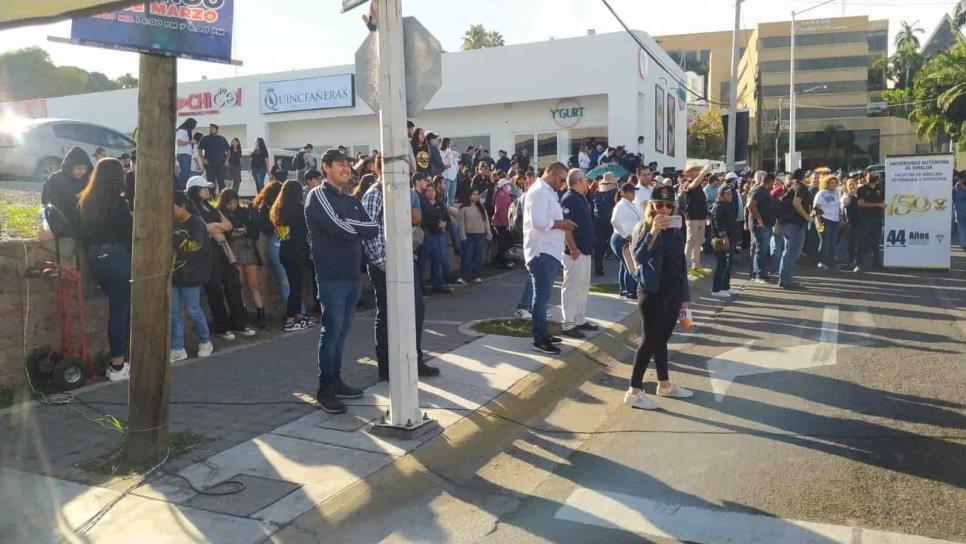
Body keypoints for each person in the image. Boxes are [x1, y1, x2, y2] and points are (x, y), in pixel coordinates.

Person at [306, 148, 381, 414]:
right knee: (331, 331)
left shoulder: (351, 199)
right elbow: (338, 228)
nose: (346, 169)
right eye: (340, 165)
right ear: (325, 167)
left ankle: (336, 380)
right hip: (331, 277)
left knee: (342, 332)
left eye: (348, 165)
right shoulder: (318, 196)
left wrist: (351, 225)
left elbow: (373, 228)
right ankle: (325, 388)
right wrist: (353, 227)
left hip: (352, 276)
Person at [361, 173, 439, 381]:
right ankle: (386, 368)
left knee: (416, 309)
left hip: (405, 260)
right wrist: (381, 262)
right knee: (387, 314)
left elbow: (413, 220)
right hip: (385, 265)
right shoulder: (375, 194)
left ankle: (414, 360)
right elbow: (369, 231)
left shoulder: (403, 194)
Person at [625, 185, 693, 410]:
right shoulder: (644, 227)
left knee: (661, 340)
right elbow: (640, 257)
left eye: (669, 205)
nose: (664, 209)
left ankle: (664, 384)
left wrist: (685, 299)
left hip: (672, 291)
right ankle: (634, 391)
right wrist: (654, 231)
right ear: (652, 205)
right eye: (659, 204)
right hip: (652, 291)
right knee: (650, 341)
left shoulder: (677, 227)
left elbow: (681, 264)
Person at [77, 158, 132, 381]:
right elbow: (129, 232)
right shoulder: (119, 203)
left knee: (117, 309)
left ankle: (119, 360)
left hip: (95, 257)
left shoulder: (86, 200)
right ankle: (118, 364)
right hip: (117, 256)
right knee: (121, 311)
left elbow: (83, 234)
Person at [186, 176, 256, 339]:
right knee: (215, 290)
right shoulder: (191, 209)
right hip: (206, 254)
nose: (207, 190)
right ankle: (222, 327)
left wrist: (214, 228)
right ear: (194, 190)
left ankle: (239, 323)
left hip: (223, 251)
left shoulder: (210, 208)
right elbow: (202, 228)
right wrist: (215, 228)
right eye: (203, 188)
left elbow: (228, 225)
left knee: (233, 285)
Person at [523, 162, 576, 355]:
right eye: (562, 179)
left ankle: (543, 333)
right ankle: (539, 338)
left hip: (550, 251)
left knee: (543, 297)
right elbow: (538, 222)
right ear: (552, 174)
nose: (563, 184)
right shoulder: (538, 191)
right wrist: (561, 223)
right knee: (541, 297)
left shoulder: (549, 192)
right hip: (541, 251)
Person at [171, 191, 214, 363]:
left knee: (193, 309)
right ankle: (178, 347)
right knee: (173, 312)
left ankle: (205, 341)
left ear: (182, 206)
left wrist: (177, 241)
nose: (171, 212)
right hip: (174, 274)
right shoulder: (172, 223)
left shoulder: (196, 224)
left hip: (192, 274)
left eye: (173, 207)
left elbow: (195, 247)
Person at [216, 188, 265, 329]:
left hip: (247, 248)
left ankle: (261, 313)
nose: (233, 206)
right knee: (238, 284)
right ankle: (241, 313)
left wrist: (246, 231)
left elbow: (255, 231)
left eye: (234, 203)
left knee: (253, 283)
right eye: (229, 204)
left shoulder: (244, 212)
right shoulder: (220, 214)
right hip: (232, 250)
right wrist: (232, 235)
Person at [271, 180, 314, 332]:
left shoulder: (278, 210)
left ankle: (297, 316)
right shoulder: (300, 210)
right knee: (296, 287)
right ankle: (290, 320)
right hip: (298, 252)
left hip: (284, 251)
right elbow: (308, 229)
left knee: (294, 285)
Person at [560, 168, 597, 338]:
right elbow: (566, 227)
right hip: (575, 252)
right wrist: (573, 248)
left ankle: (580, 319)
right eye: (585, 179)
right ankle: (568, 323)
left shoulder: (581, 197)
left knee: (583, 286)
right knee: (572, 286)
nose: (587, 182)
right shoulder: (569, 199)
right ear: (578, 181)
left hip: (585, 250)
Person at [41, 146, 92, 239]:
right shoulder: (57, 179)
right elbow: (65, 202)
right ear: (70, 166)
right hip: (59, 219)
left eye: (85, 169)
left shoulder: (84, 180)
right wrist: (83, 194)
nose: (82, 172)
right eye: (78, 168)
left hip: (79, 219)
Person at [776, 169, 813, 289]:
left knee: (788, 252)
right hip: (795, 223)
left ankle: (785, 279)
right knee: (792, 252)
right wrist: (807, 216)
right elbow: (796, 203)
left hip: (788, 223)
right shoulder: (801, 187)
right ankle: (786, 280)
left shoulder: (793, 186)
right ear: (805, 176)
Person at [611, 182, 642, 299]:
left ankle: (624, 290)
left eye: (633, 192)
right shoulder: (621, 205)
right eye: (631, 192)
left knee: (625, 265)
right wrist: (626, 235)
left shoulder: (630, 204)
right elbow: (614, 221)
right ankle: (631, 291)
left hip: (628, 237)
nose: (633, 194)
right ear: (624, 193)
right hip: (622, 238)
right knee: (630, 266)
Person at [422, 185, 454, 294]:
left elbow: (447, 217)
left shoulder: (440, 204)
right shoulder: (424, 204)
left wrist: (444, 223)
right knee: (432, 259)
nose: (431, 193)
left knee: (440, 258)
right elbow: (426, 219)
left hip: (440, 234)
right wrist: (437, 223)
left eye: (432, 191)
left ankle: (440, 282)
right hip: (430, 234)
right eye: (428, 191)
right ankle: (434, 283)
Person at [457, 188, 492, 284]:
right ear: (469, 195)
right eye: (473, 194)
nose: (476, 196)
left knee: (479, 256)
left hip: (480, 234)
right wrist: (462, 236)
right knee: (467, 256)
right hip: (468, 235)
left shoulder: (482, 209)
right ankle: (464, 276)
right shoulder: (463, 209)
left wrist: (488, 233)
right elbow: (461, 223)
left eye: (477, 194)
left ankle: (475, 275)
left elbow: (486, 222)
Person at [747, 173, 777, 283]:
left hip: (766, 224)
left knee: (762, 250)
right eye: (773, 182)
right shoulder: (759, 191)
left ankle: (758, 272)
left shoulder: (764, 192)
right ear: (769, 181)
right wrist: (759, 219)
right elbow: (751, 205)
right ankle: (759, 274)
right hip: (760, 225)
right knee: (761, 250)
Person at [854, 169, 885, 273]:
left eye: (874, 174)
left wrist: (880, 205)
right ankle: (859, 263)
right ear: (864, 177)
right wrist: (876, 205)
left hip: (877, 218)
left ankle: (876, 262)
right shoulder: (861, 189)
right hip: (864, 219)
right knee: (862, 241)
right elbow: (861, 203)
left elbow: (883, 201)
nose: (873, 176)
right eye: (870, 175)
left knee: (876, 240)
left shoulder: (880, 188)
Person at [709, 185, 737, 297]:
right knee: (722, 264)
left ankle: (726, 286)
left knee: (728, 264)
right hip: (721, 240)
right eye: (728, 194)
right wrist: (724, 237)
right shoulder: (718, 207)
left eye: (731, 194)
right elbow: (718, 224)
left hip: (730, 238)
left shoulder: (727, 205)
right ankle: (716, 289)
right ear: (721, 195)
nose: (730, 196)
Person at [592, 173, 619, 277]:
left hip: (598, 221)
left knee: (599, 246)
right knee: (613, 243)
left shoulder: (597, 193)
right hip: (610, 220)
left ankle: (598, 269)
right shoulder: (614, 193)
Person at [683, 169, 708, 274]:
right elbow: (693, 184)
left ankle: (695, 265)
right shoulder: (687, 185)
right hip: (692, 218)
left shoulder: (700, 187)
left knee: (699, 242)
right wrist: (703, 172)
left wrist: (706, 216)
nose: (697, 173)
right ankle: (686, 265)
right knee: (690, 242)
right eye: (694, 172)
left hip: (701, 218)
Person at [813, 175, 842, 270]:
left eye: (835, 183)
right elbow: (816, 208)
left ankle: (831, 262)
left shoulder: (836, 193)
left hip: (834, 221)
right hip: (823, 220)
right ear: (826, 183)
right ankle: (821, 261)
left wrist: (840, 218)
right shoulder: (821, 193)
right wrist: (818, 222)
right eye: (831, 183)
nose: (834, 185)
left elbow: (838, 207)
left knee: (832, 242)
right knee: (824, 241)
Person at [198, 124, 230, 193]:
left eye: (212, 128)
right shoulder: (205, 139)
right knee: (211, 182)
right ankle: (211, 197)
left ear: (216, 130)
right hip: (209, 164)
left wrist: (227, 160)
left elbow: (228, 150)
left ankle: (222, 197)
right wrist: (203, 159)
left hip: (221, 164)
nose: (211, 129)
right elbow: (200, 149)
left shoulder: (222, 139)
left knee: (221, 181)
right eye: (209, 128)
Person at [491, 178, 514, 270]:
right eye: (506, 185)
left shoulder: (505, 195)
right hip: (500, 223)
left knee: (505, 242)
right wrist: (507, 224)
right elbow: (503, 212)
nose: (508, 187)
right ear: (502, 187)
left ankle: (501, 260)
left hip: (501, 222)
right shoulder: (502, 196)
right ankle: (499, 261)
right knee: (504, 243)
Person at [840, 177, 860, 269]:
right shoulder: (845, 197)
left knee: (855, 243)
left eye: (853, 184)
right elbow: (844, 206)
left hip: (858, 223)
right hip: (848, 224)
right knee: (847, 243)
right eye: (850, 185)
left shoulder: (859, 196)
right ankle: (847, 261)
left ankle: (854, 260)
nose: (852, 186)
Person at [175, 118, 197, 190]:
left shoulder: (187, 131)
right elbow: (179, 142)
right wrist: (190, 142)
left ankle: (182, 187)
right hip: (183, 154)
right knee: (185, 172)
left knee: (187, 172)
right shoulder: (182, 131)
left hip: (187, 154)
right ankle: (179, 187)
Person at [440, 137, 460, 206]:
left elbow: (455, 163)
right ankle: (443, 211)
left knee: (452, 196)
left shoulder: (453, 153)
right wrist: (447, 154)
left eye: (452, 143)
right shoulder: (441, 152)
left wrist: (457, 170)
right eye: (450, 143)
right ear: (446, 144)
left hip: (454, 176)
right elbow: (444, 163)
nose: (452, 145)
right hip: (446, 176)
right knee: (444, 196)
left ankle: (451, 212)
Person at [953, 171, 966, 272]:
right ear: (960, 179)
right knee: (963, 244)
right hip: (961, 220)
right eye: (963, 180)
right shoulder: (955, 190)